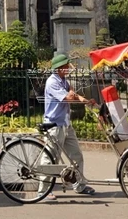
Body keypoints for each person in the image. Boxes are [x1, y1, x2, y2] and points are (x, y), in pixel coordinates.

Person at [41, 53, 96, 199]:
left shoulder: (63, 81)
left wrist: (86, 101)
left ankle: (79, 185)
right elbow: (70, 97)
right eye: (66, 66)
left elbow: (75, 96)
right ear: (59, 68)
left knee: (76, 155)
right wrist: (73, 93)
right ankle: (44, 191)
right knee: (51, 159)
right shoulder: (52, 82)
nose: (68, 68)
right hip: (54, 125)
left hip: (65, 124)